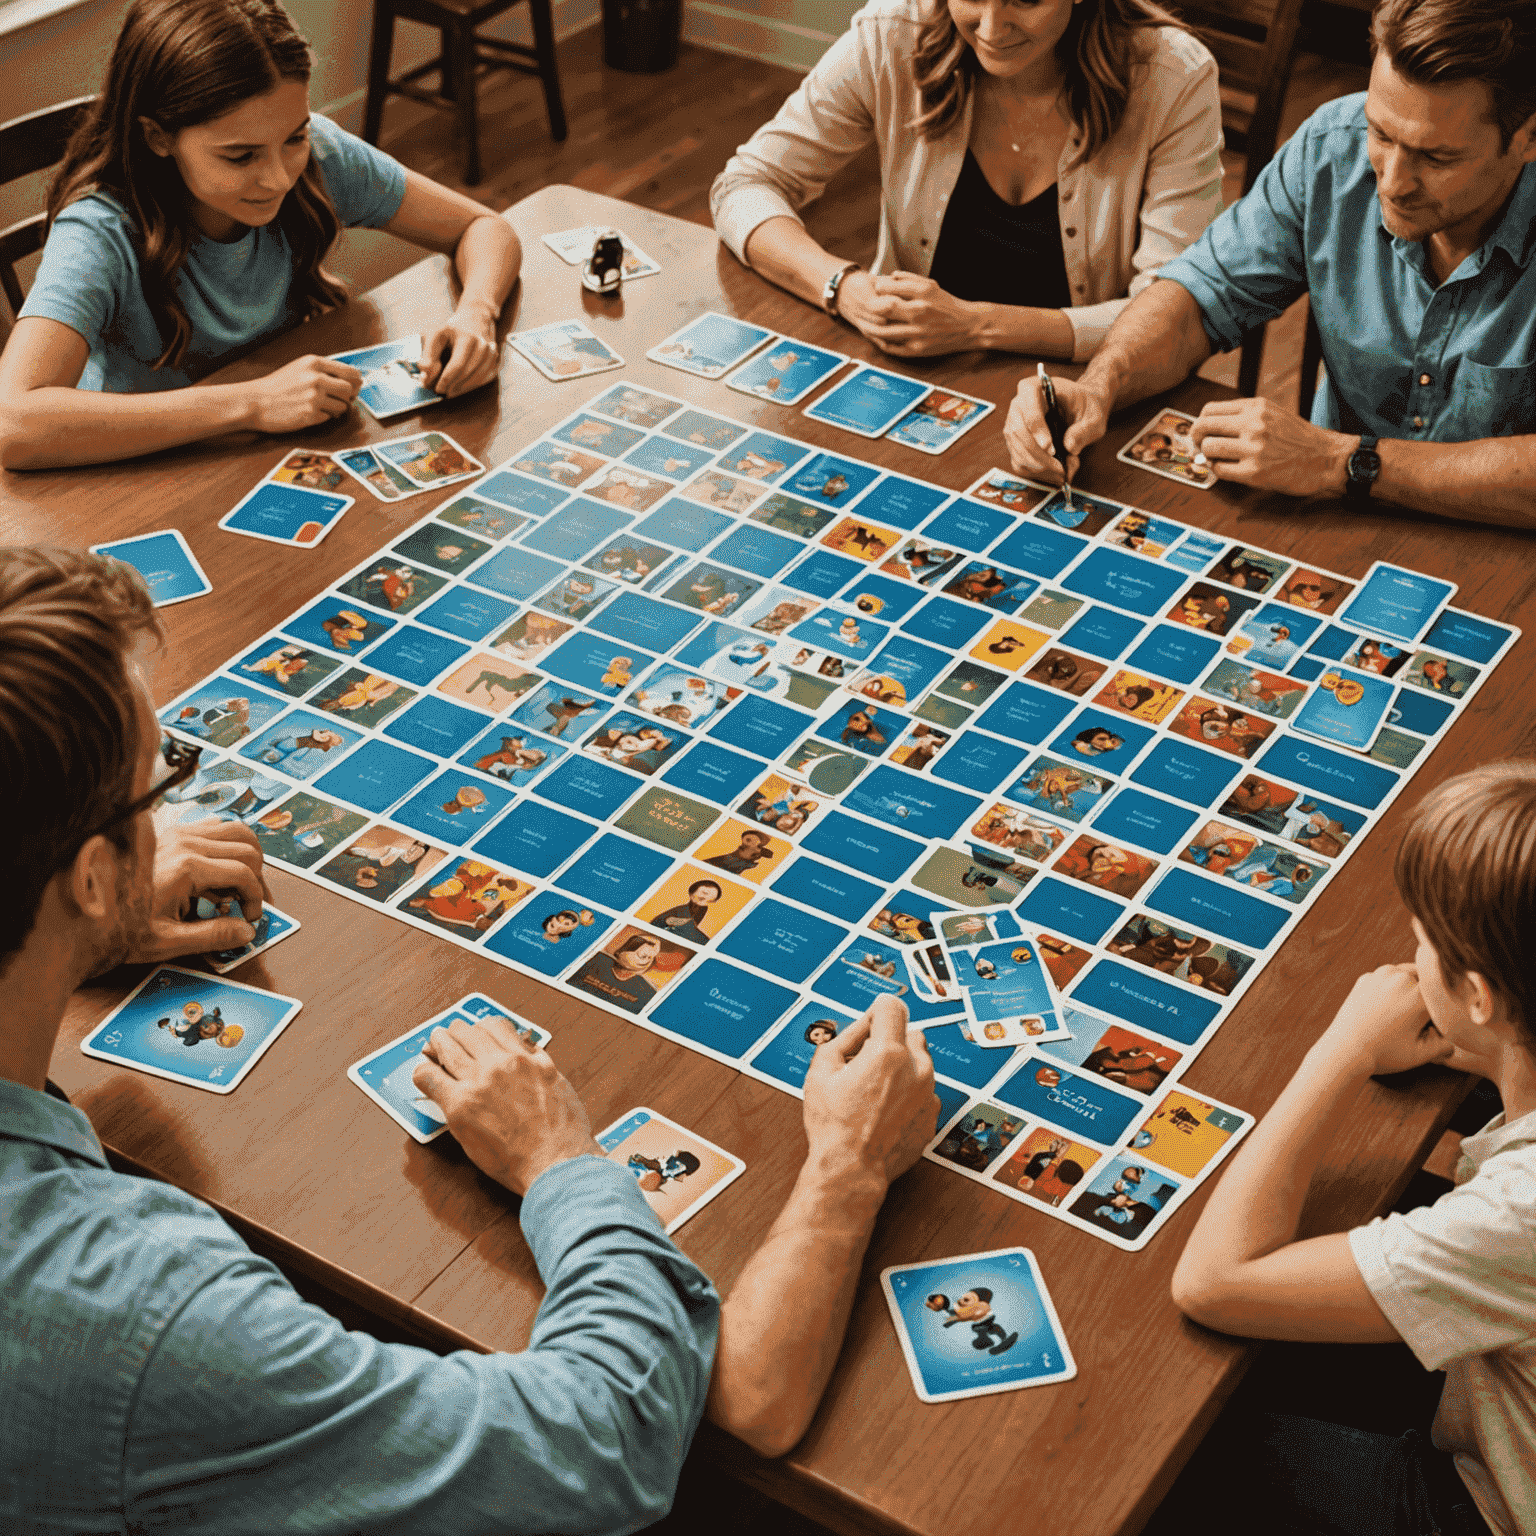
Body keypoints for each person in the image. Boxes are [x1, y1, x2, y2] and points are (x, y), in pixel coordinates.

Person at [0, 546, 943, 1532]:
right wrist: (567, 1161)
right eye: (161, 787)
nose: (174, 813)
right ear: (94, 872)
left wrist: (70, 930)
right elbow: (604, 1446)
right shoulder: (145, 1317)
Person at [1160, 762, 1536, 1536]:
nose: (1409, 952)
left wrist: (1340, 1050)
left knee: (1166, 1452)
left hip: (1483, 1509)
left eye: (1423, 940)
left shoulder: (1518, 1215)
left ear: (1479, 994)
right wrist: (1490, 1049)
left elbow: (1215, 1282)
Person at [1004, 0, 1536, 526]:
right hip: (1336, 526)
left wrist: (1343, 462)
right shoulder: (1332, 147)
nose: (1392, 182)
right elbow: (1198, 295)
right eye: (1381, 133)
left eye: (1436, 157)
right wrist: (1101, 386)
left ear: (1528, 137)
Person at [0, 0, 520, 472]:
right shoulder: (100, 232)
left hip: (284, 446)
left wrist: (476, 314)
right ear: (158, 136)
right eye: (240, 155)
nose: (278, 177)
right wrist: (251, 403)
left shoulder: (319, 155)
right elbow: (14, 423)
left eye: (294, 137)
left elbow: (484, 226)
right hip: (147, 470)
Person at [711, 0, 1222, 362]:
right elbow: (747, 185)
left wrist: (976, 326)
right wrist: (844, 288)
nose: (993, 27)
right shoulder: (893, 30)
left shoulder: (1174, 77)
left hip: (1084, 388)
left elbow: (1171, 310)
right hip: (912, 373)